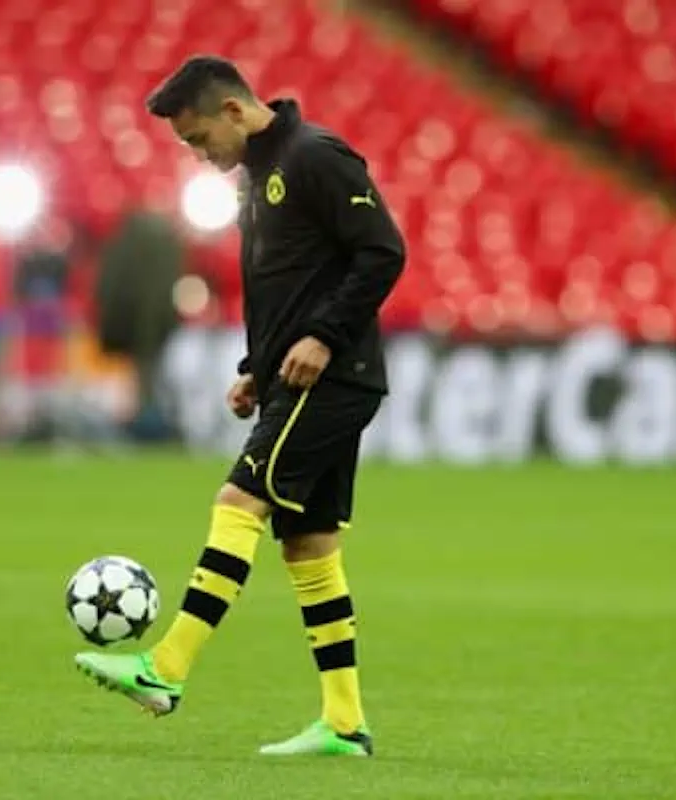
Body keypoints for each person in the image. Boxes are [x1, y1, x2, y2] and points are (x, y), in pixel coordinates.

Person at [74, 55, 406, 757]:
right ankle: (344, 722)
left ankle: (164, 669)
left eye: (199, 139)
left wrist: (324, 336)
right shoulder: (256, 177)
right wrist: (257, 368)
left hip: (335, 375)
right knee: (308, 543)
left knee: (238, 501)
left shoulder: (315, 157)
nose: (199, 155)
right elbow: (283, 284)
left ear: (233, 111)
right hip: (300, 377)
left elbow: (383, 251)